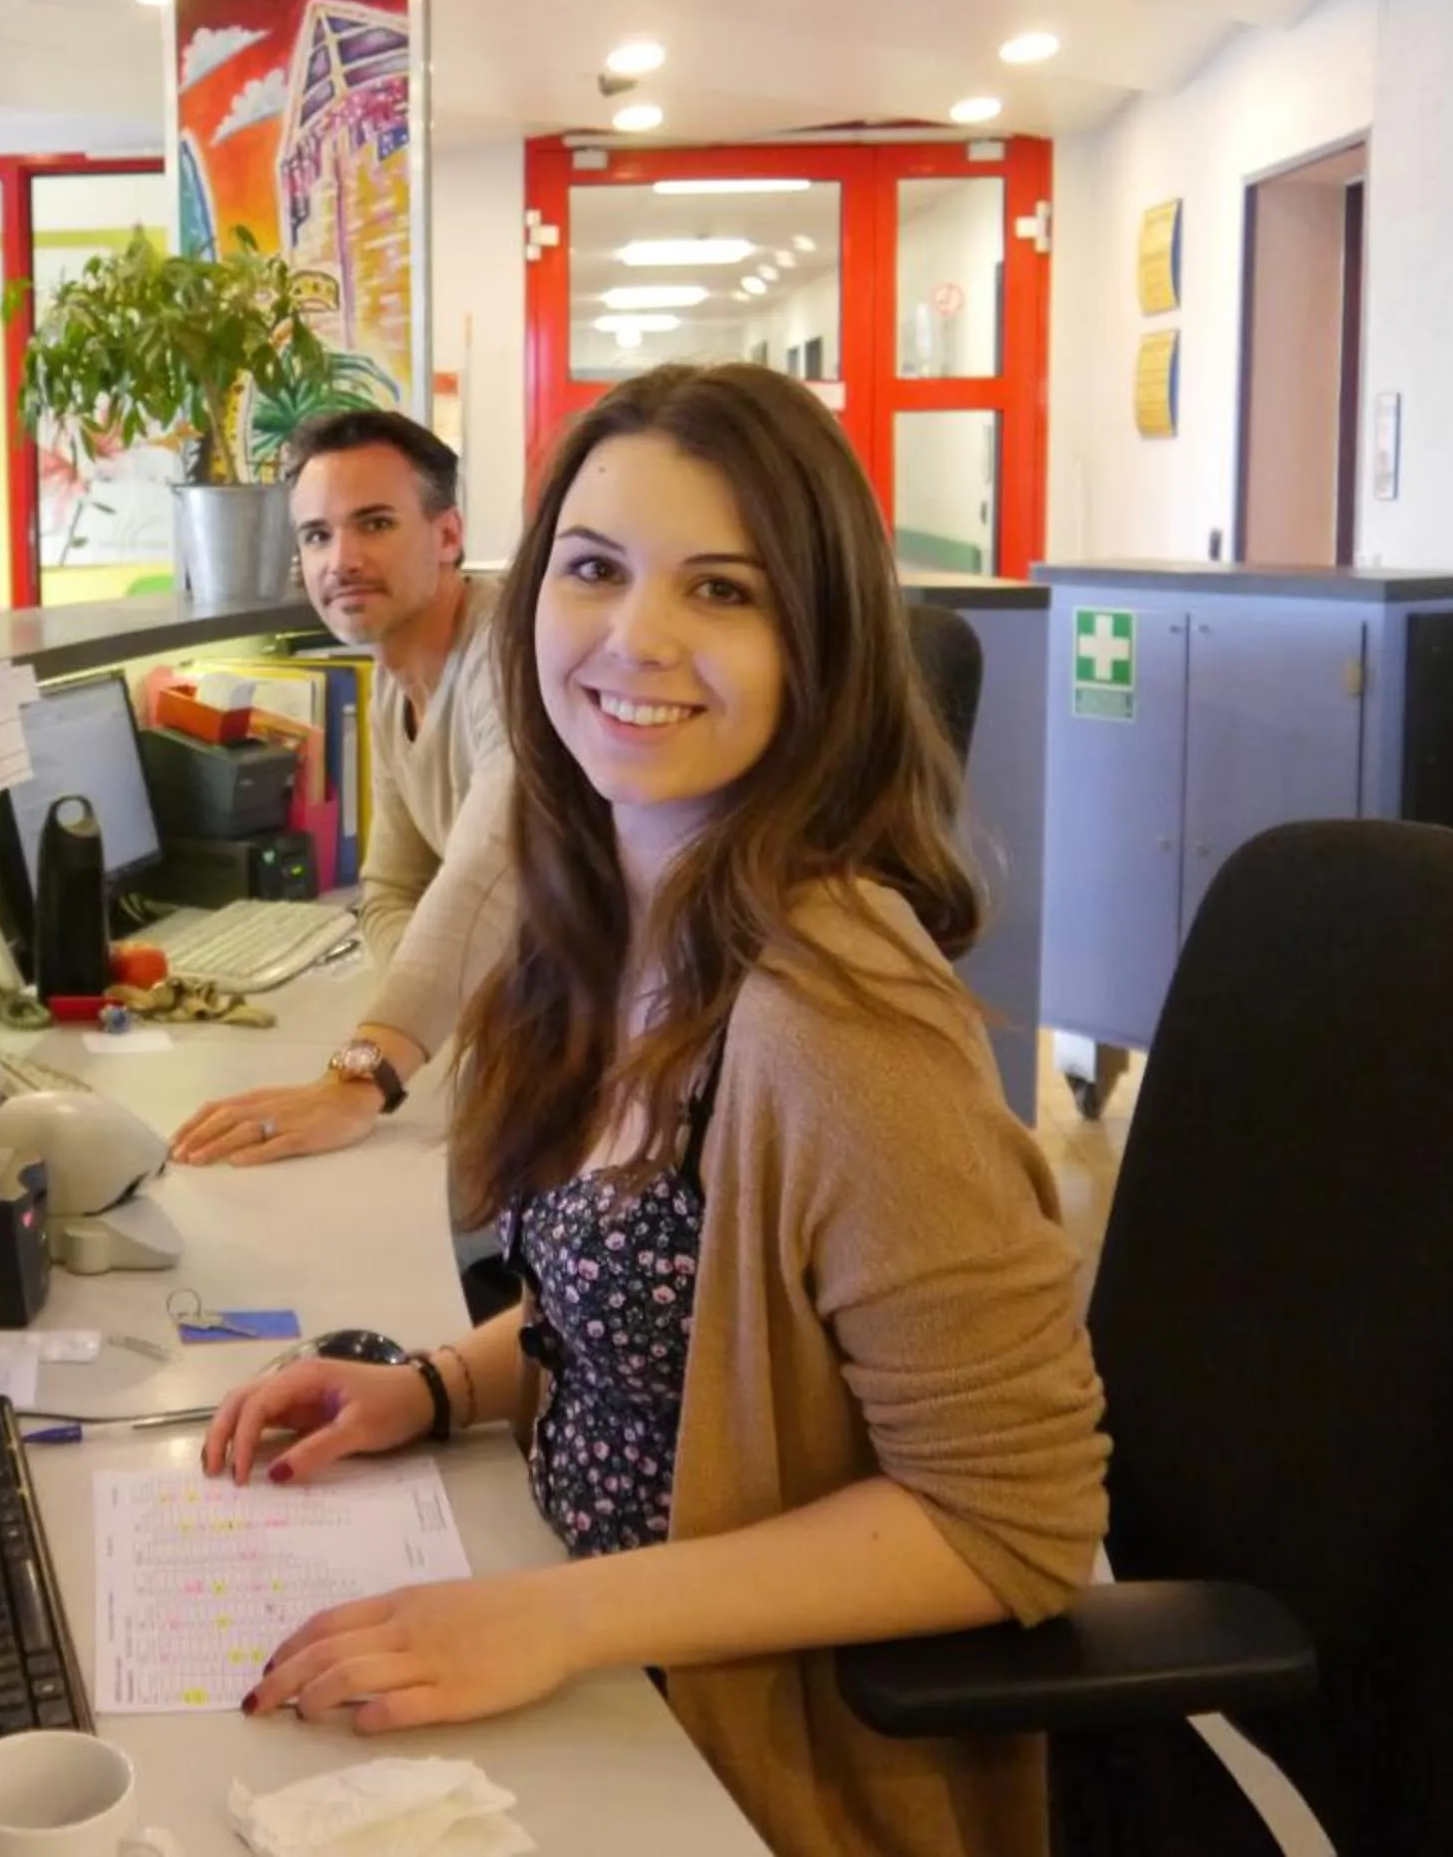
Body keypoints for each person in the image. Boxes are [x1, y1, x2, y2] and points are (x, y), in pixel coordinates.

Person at [200, 365, 1107, 1856]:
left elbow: (1016, 1516)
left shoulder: (834, 1016)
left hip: (746, 1749)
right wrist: (431, 1386)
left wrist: (552, 1619)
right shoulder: (614, 922)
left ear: (822, 643)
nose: (636, 638)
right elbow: (660, 1325)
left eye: (725, 590)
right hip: (605, 1652)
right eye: (596, 569)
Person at [171, 408, 511, 1166]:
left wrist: (360, 1078)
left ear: (449, 535)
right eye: (317, 535)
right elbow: (392, 889)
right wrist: (433, 1017)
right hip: (515, 1061)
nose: (341, 560)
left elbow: (490, 871)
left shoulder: (510, 651)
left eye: (376, 524)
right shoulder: (393, 681)